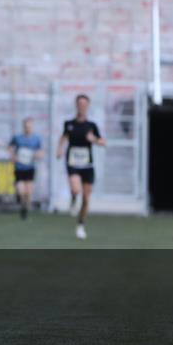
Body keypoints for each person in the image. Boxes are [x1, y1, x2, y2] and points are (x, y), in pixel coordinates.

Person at [56, 94, 106, 240]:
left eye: (85, 104)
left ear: (88, 106)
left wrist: (94, 140)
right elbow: (63, 137)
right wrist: (59, 149)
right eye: (80, 104)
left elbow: (103, 142)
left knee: (85, 198)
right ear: (76, 105)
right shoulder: (69, 124)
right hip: (73, 162)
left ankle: (80, 225)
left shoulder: (92, 126)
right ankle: (72, 199)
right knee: (76, 189)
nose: (82, 106)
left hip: (87, 165)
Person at [8, 117, 43, 219]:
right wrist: (12, 156)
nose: (28, 128)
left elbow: (40, 151)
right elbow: (10, 147)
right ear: (23, 127)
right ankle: (21, 202)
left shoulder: (36, 139)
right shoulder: (17, 138)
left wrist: (38, 155)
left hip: (30, 168)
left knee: (29, 193)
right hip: (19, 168)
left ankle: (25, 209)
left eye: (30, 126)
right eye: (26, 126)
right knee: (21, 191)